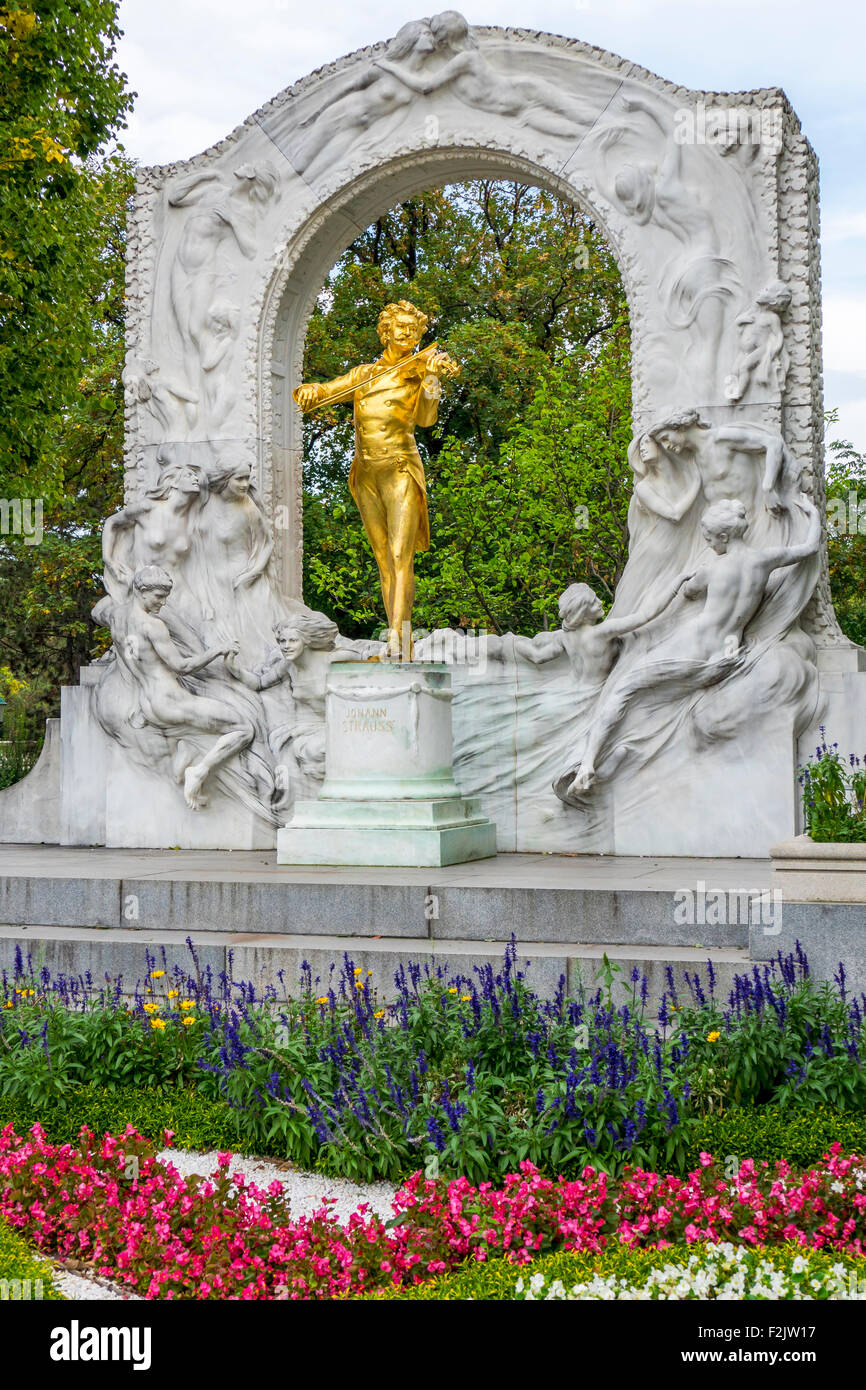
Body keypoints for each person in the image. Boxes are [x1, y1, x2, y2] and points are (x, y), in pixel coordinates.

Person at [563, 494, 821, 797]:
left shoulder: (712, 568)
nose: (709, 544)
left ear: (724, 536)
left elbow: (689, 592)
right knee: (654, 701)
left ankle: (587, 765)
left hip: (694, 645)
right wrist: (811, 513)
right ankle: (621, 755)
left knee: (623, 688)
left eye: (710, 538)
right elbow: (809, 547)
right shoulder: (763, 560)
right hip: (726, 654)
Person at [293, 300, 459, 658]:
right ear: (385, 332)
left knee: (402, 555)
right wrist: (310, 391)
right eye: (400, 327)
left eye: (413, 330)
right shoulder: (364, 374)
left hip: (400, 467)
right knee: (384, 559)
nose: (407, 334)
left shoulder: (419, 374)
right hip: (365, 471)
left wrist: (432, 378)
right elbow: (327, 390)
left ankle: (400, 640)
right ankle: (397, 637)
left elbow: (427, 420)